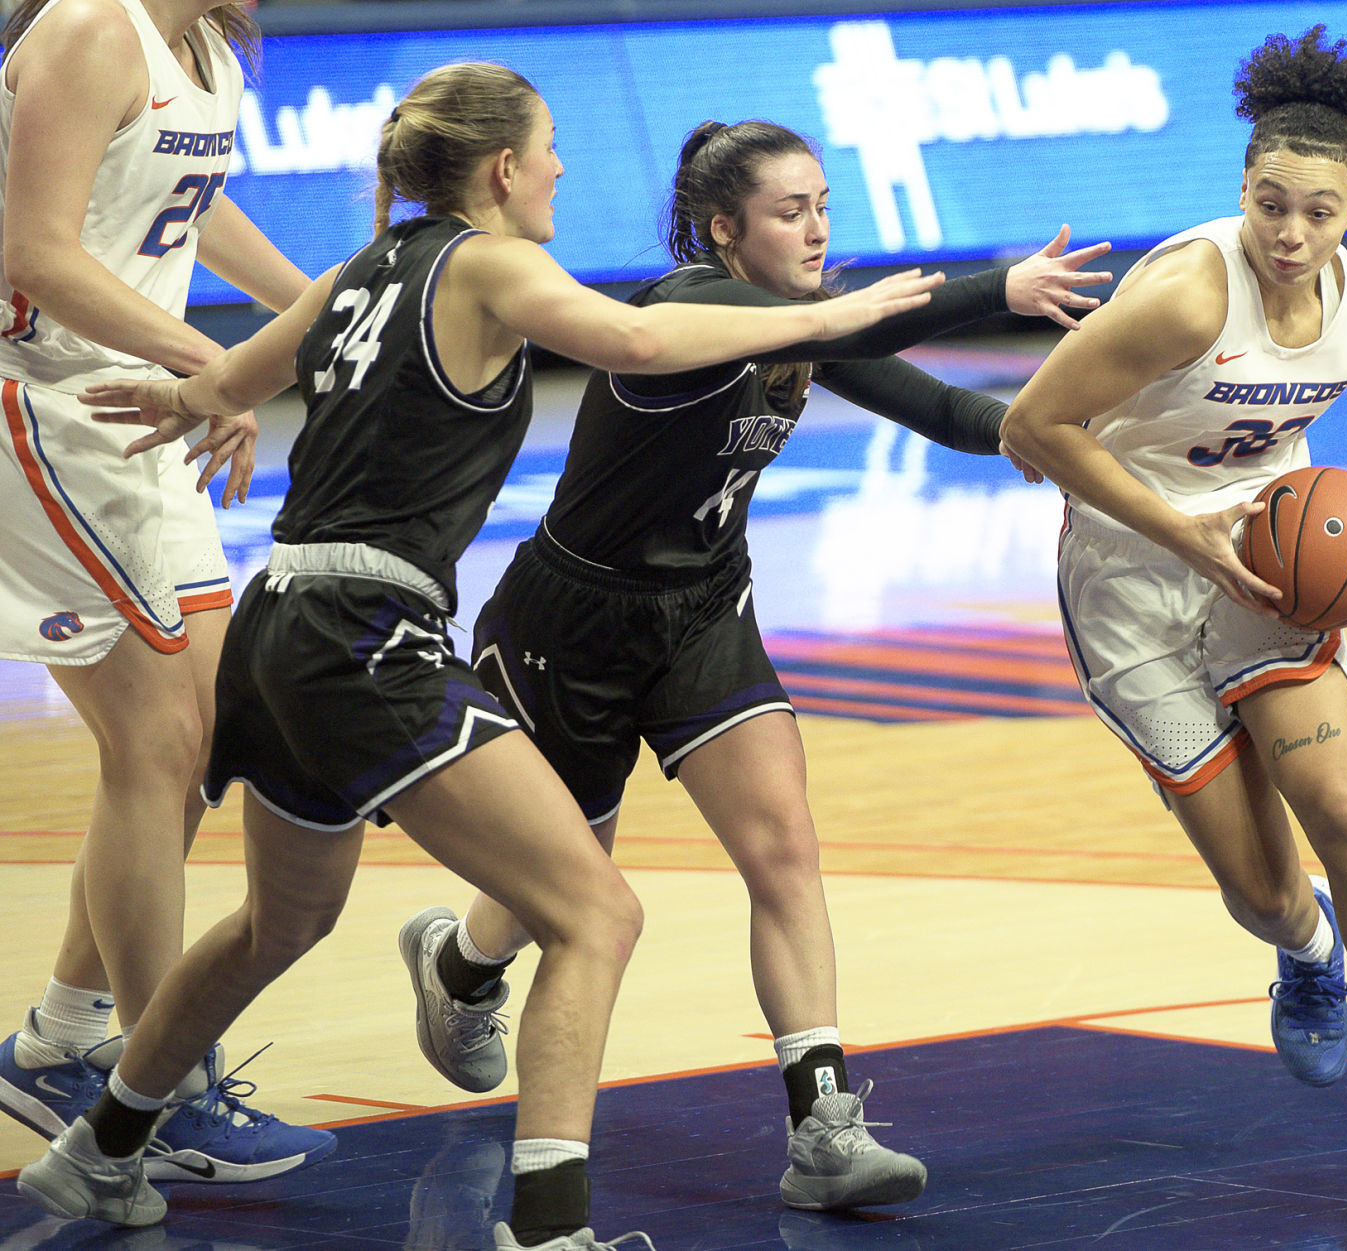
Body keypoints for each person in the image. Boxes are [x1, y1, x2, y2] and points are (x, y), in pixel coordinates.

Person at [15, 63, 946, 1251]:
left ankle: (98, 1150)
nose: (560, 165)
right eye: (550, 145)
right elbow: (636, 335)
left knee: (274, 927)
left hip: (277, 622)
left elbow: (227, 380)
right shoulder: (491, 260)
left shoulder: (359, 271)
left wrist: (194, 398)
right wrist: (826, 315)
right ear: (501, 167)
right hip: (368, 635)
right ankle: (549, 1231)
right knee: (596, 914)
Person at [396, 117, 1111, 1213]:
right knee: (566, 892)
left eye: (826, 205)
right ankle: (459, 965)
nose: (819, 229)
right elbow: (889, 320)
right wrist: (1002, 285)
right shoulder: (687, 308)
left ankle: (822, 1131)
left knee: (783, 843)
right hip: (570, 626)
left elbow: (957, 413)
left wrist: (1067, 433)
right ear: (725, 230)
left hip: (702, 611)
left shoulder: (810, 324)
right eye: (792, 211)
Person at [999, 27, 1347, 1205]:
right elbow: (1031, 430)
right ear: (1243, 189)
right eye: (1272, 205)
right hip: (1134, 579)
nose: (1290, 235)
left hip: (1273, 565)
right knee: (1263, 890)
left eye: (1318, 212)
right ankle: (1306, 951)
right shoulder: (1181, 301)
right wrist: (1185, 537)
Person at [0, 0, 337, 1181]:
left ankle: (63, 1042)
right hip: (42, 404)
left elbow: (193, 206)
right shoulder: (93, 29)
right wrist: (214, 360)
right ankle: (156, 1084)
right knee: (157, 742)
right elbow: (31, 252)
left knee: (194, 746)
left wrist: (316, 315)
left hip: (140, 407)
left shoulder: (205, 44)